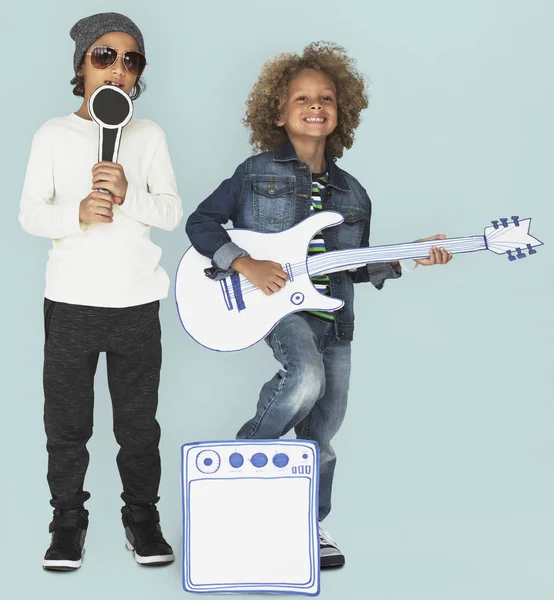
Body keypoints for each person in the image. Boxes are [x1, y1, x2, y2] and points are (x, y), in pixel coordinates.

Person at [186, 41, 453, 568]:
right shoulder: (253, 172)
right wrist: (244, 263)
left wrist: (412, 257)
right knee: (304, 376)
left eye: (326, 98)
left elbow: (355, 264)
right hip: (279, 308)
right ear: (278, 112)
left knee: (324, 432)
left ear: (341, 112)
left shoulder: (354, 193)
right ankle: (243, 461)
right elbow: (200, 223)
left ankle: (309, 524)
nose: (315, 105)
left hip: (335, 317)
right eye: (302, 97)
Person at [19, 12, 182, 570]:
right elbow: (29, 214)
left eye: (131, 60)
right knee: (67, 422)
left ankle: (142, 516)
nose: (118, 68)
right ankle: (68, 519)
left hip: (137, 304)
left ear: (139, 75)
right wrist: (79, 212)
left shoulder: (149, 135)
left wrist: (128, 194)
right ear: (81, 66)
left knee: (138, 425)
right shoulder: (52, 134)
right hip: (71, 304)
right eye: (104, 56)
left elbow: (170, 210)